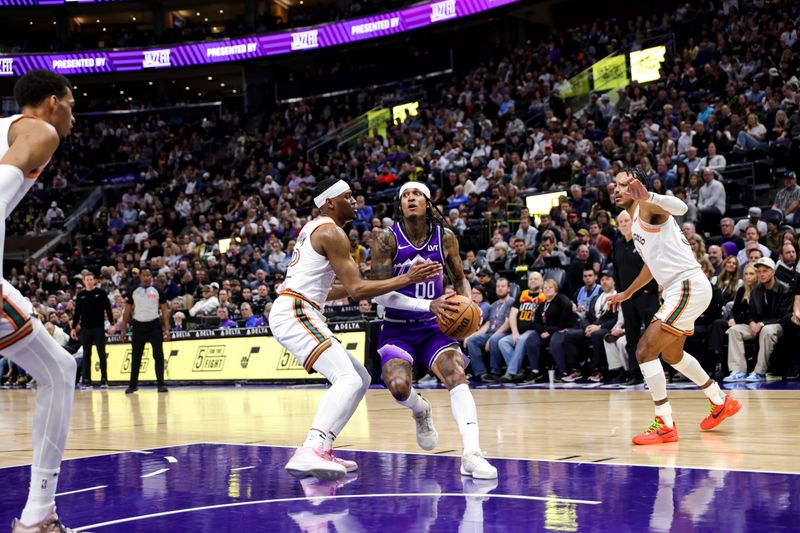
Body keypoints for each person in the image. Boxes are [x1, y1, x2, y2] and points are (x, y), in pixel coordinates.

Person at [269, 178, 441, 481]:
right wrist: (408, 278)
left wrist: (375, 284)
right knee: (346, 378)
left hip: (300, 306)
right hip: (296, 310)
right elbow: (358, 290)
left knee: (360, 378)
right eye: (348, 197)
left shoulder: (316, 229)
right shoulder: (332, 232)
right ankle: (310, 448)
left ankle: (323, 447)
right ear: (330, 203)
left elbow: (337, 291)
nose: (355, 201)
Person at [371, 182, 498, 479]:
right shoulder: (386, 240)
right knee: (399, 387)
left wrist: (465, 306)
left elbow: (459, 280)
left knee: (456, 373)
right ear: (399, 205)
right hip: (397, 328)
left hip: (434, 328)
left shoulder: (446, 238)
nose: (410, 198)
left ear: (428, 203)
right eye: (404, 196)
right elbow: (379, 294)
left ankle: (472, 453)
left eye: (416, 194)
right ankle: (421, 411)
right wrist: (428, 305)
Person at [608, 167, 741, 446]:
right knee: (672, 354)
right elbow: (650, 266)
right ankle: (719, 400)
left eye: (623, 184)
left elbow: (681, 206)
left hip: (687, 285)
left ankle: (665, 423)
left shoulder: (648, 207)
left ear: (638, 186)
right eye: (615, 185)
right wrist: (626, 293)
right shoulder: (635, 223)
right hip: (679, 290)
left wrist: (650, 196)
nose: (617, 189)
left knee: (644, 350)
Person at [1, 70, 80, 532]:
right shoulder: (41, 130)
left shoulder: (10, 128)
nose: (74, 115)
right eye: (72, 104)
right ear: (53, 102)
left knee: (59, 368)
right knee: (59, 370)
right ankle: (38, 517)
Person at [723, 258, 793, 382]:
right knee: (734, 330)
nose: (761, 274)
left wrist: (761, 324)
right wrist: (752, 322)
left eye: (765, 271)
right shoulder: (756, 290)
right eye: (759, 271)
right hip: (759, 325)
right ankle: (738, 370)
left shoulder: (785, 289)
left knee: (767, 330)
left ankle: (759, 372)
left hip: (778, 325)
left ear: (773, 272)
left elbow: (784, 316)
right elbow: (751, 311)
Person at [611, 210, 660, 386]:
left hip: (646, 296)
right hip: (627, 298)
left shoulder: (642, 241)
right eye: (621, 222)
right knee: (631, 338)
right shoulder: (617, 245)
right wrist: (620, 293)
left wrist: (650, 290)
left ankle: (654, 376)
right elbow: (616, 272)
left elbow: (653, 267)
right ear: (618, 226)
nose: (624, 224)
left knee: (650, 338)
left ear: (634, 222)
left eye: (627, 220)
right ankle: (634, 374)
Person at [119, 269, 171, 394]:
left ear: (151, 277)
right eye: (144, 275)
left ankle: (161, 384)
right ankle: (133, 385)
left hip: (154, 326)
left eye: (149, 275)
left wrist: (167, 329)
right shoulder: (134, 291)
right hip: (138, 326)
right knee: (136, 357)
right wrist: (123, 328)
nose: (147, 277)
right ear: (140, 277)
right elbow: (127, 311)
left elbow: (164, 311)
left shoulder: (157, 291)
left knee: (158, 356)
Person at [498, 271, 545, 383]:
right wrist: (514, 332)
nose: (532, 280)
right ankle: (519, 371)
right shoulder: (522, 295)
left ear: (542, 281)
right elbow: (512, 315)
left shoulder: (544, 296)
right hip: (519, 331)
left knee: (523, 339)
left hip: (534, 331)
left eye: (536, 278)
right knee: (503, 341)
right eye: (530, 279)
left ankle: (510, 372)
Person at [71, 271, 113, 387]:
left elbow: (108, 309)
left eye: (91, 279)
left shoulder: (101, 293)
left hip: (98, 328)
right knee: (86, 355)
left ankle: (104, 378)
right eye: (87, 280)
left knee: (101, 354)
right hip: (85, 329)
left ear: (94, 280)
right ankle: (86, 379)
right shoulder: (81, 295)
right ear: (84, 281)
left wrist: (112, 323)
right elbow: (77, 313)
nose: (89, 282)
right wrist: (73, 328)